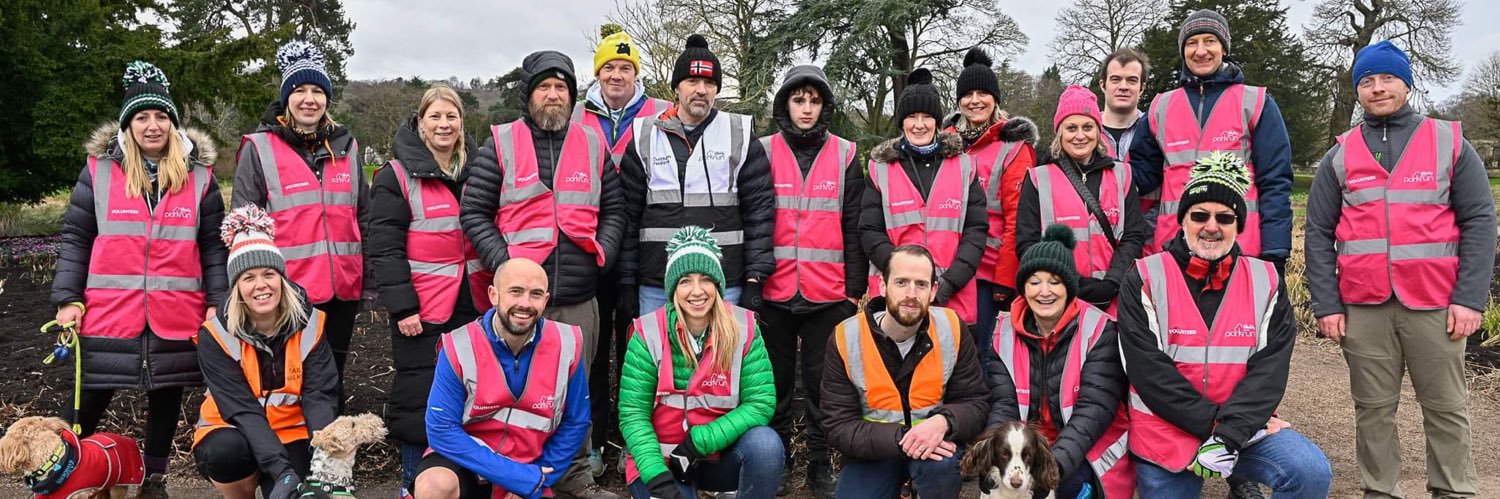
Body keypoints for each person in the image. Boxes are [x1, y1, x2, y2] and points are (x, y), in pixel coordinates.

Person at [1305, 40, 1497, 498]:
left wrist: (1470, 299)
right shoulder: (1340, 154)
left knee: (1447, 407)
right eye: (1366, 81)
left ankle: (1453, 490)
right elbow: (1317, 233)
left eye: (1387, 78)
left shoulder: (1450, 143)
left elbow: (1480, 221)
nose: (1378, 89)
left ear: (1406, 84)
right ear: (1357, 91)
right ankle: (1379, 491)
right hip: (1364, 305)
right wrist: (1326, 304)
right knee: (1372, 409)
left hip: (1436, 303)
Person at [51, 60, 227, 498]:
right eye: (143, 117)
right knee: (92, 392)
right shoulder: (98, 171)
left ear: (173, 123)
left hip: (175, 312)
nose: (153, 126)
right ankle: (64, 471)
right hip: (109, 311)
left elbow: (211, 246)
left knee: (166, 395)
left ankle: (154, 479)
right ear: (128, 125)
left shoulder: (200, 177)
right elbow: (76, 237)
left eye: (162, 116)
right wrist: (68, 298)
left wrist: (216, 300)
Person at [460, 50, 624, 499]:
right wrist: (505, 264)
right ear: (528, 94)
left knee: (576, 390)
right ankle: (511, 473)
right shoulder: (500, 142)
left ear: (572, 96)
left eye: (562, 88)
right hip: (519, 297)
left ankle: (574, 476)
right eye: (544, 87)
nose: (553, 95)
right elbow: (474, 212)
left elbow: (614, 208)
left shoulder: (593, 143)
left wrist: (601, 253)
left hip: (577, 294)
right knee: (516, 387)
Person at [1118, 154, 1331, 497]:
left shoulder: (1266, 281)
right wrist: (1219, 429)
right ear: (1182, 221)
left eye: (1224, 217)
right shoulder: (1144, 277)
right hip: (1166, 431)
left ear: (1238, 224)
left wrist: (1230, 434)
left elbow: (1269, 372)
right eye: (1199, 215)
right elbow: (1148, 372)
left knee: (1310, 472)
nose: (1211, 226)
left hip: (1242, 430)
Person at [368, 85, 491, 494]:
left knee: (473, 393)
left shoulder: (480, 170)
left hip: (473, 303)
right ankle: (411, 479)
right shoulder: (396, 175)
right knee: (419, 393)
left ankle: (464, 479)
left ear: (462, 123)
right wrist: (402, 308)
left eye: (451, 116)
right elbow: (385, 249)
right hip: (422, 309)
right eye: (434, 117)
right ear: (420, 124)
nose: (444, 124)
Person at [755, 64, 865, 498]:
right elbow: (755, 217)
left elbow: (853, 225)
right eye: (798, 100)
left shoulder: (845, 153)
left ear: (825, 107)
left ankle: (820, 464)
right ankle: (780, 462)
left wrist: (853, 289)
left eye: (814, 101)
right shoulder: (762, 150)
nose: (806, 108)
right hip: (775, 291)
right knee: (776, 386)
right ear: (785, 104)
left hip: (827, 293)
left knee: (824, 390)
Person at [233, 40, 369, 388]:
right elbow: (243, 228)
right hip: (288, 289)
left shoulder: (347, 147)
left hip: (344, 288)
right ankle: (294, 442)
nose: (310, 99)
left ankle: (331, 441)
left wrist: (370, 278)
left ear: (327, 99)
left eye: (318, 91)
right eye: (300, 90)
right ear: (286, 98)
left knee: (334, 376)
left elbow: (364, 216)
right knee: (294, 379)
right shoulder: (259, 148)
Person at [573, 25, 674, 476]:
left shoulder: (660, 113)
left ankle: (636, 444)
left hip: (643, 247)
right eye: (609, 67)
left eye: (626, 67)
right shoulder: (576, 115)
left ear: (637, 73)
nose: (617, 75)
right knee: (590, 353)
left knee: (639, 355)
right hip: (588, 249)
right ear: (597, 73)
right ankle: (591, 440)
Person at [618, 226, 781, 499]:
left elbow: (761, 402)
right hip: (662, 460)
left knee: (766, 446)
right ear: (673, 289)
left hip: (714, 453)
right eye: (685, 281)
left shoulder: (743, 327)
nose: (697, 291)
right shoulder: (648, 332)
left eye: (705, 279)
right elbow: (633, 415)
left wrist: (698, 442)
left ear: (717, 286)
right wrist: (658, 478)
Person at [618, 34, 775, 316]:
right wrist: (626, 282)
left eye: (709, 83)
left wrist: (755, 278)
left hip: (723, 281)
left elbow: (760, 213)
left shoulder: (739, 134)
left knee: (722, 361)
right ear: (676, 87)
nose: (701, 89)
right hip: (657, 283)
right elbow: (627, 216)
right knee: (656, 360)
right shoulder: (644, 136)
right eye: (692, 81)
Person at [1126, 9, 1293, 270]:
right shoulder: (1161, 107)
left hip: (1239, 250)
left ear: (1224, 48)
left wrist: (1275, 251)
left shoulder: (1256, 103)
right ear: (1183, 50)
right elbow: (1142, 177)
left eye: (1210, 41)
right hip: (1172, 251)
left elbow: (1275, 182)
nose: (1200, 51)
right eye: (1192, 43)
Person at [193, 205, 340, 499]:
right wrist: (280, 469)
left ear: (282, 279)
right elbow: (241, 409)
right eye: (248, 278)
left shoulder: (311, 323)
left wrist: (326, 459)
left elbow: (319, 395)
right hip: (234, 430)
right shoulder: (215, 335)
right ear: (237, 288)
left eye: (269, 274)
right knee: (225, 453)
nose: (261, 285)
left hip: (292, 431)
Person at [413, 258, 591, 499]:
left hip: (531, 464)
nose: (525, 303)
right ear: (493, 295)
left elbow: (576, 422)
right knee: (433, 486)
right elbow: (441, 430)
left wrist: (537, 479)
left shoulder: (567, 343)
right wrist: (514, 476)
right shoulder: (458, 345)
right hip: (468, 462)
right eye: (516, 291)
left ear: (546, 300)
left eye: (536, 294)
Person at [823, 244, 989, 499]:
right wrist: (904, 437)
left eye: (921, 284)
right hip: (873, 451)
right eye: (901, 282)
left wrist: (944, 421)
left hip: (934, 450)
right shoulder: (846, 337)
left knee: (943, 467)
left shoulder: (952, 328)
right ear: (882, 285)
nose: (911, 293)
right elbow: (838, 425)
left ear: (934, 291)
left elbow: (976, 403)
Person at [983, 224, 1134, 498]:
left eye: (1054, 281)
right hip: (1026, 447)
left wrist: (1052, 467)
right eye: (1034, 281)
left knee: (1067, 487)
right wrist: (989, 457)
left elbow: (1093, 411)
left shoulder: (1099, 330)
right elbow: (1003, 404)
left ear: (1069, 286)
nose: (1044, 291)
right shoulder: (1002, 332)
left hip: (1087, 448)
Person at [861, 68, 987, 327]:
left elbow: (976, 232)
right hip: (895, 301)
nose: (919, 124)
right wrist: (904, 281)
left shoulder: (965, 167)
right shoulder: (880, 168)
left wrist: (946, 284)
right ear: (902, 122)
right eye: (912, 117)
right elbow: (870, 232)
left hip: (953, 297)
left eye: (927, 117)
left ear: (937, 122)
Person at [942, 47, 1040, 372]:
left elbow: (1018, 220)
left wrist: (1005, 281)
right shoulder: (946, 143)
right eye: (967, 94)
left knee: (978, 360)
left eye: (983, 93)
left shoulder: (1014, 149)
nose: (975, 101)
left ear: (995, 98)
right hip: (947, 269)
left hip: (987, 275)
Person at [1016, 85, 1143, 315]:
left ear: (1098, 130)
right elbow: (1027, 243)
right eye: (1071, 128)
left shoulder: (1123, 174)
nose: (1080, 135)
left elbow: (1133, 236)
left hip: (1115, 299)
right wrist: (1069, 281)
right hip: (1058, 300)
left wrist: (1112, 282)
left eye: (1088, 127)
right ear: (1060, 132)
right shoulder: (1037, 178)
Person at [1098, 48, 1149, 158]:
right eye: (1115, 79)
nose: (1123, 87)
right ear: (1103, 85)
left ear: (1142, 88)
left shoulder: (1154, 130)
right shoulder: (1086, 131)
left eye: (1132, 80)